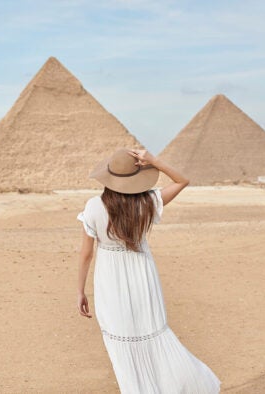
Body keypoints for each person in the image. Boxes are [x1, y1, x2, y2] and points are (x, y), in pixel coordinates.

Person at [77, 148, 220, 393]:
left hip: (110, 278)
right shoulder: (148, 201)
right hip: (142, 273)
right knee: (152, 333)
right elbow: (183, 181)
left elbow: (86, 254)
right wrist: (155, 161)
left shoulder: (93, 207)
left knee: (120, 340)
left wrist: (80, 291)